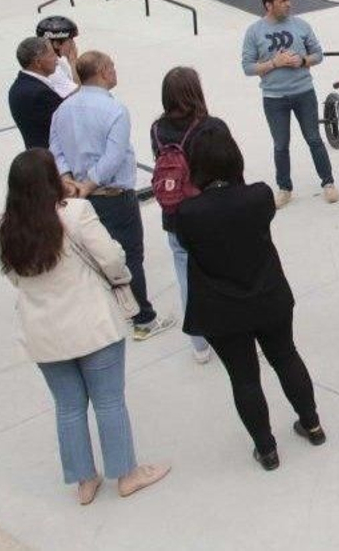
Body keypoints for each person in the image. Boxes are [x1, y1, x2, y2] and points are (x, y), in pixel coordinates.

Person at [0, 148, 170, 504]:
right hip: (92, 325)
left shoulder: (0, 226)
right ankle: (127, 474)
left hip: (43, 333)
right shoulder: (74, 214)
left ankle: (84, 481)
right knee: (108, 401)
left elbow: (12, 276)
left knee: (69, 406)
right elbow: (111, 258)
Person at [173, 129, 325, 471]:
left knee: (243, 377)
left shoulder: (189, 213)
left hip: (221, 307)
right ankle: (312, 424)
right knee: (286, 356)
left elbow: (185, 245)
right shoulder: (258, 196)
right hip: (268, 295)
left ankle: (266, 449)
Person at [50, 50, 174, 340]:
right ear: (104, 71)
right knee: (129, 256)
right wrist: (90, 184)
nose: (116, 71)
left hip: (77, 198)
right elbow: (114, 156)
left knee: (91, 258)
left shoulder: (62, 110)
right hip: (113, 196)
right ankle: (143, 319)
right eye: (113, 67)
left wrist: (70, 181)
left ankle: (105, 319)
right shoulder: (115, 110)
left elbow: (55, 150)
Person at [149, 66, 230, 365]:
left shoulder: (157, 129)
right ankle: (232, 331)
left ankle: (199, 343)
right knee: (225, 274)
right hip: (211, 215)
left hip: (176, 217)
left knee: (186, 279)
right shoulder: (212, 127)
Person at [242, 0, 337, 209]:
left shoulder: (302, 25)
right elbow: (247, 67)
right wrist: (274, 63)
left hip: (304, 92)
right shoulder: (254, 31)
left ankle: (329, 183)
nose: (288, 4)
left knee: (314, 139)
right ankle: (284, 188)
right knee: (281, 145)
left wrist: (303, 60)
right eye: (282, 0)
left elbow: (318, 54)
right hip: (274, 98)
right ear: (268, 5)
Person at [10, 37, 63, 149]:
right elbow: (68, 123)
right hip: (50, 158)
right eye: (52, 55)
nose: (57, 59)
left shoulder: (19, 86)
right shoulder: (40, 94)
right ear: (38, 62)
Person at [36, 15, 81, 97]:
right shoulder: (52, 70)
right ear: (56, 44)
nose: (73, 44)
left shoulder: (59, 63)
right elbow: (79, 95)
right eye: (70, 40)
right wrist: (73, 63)